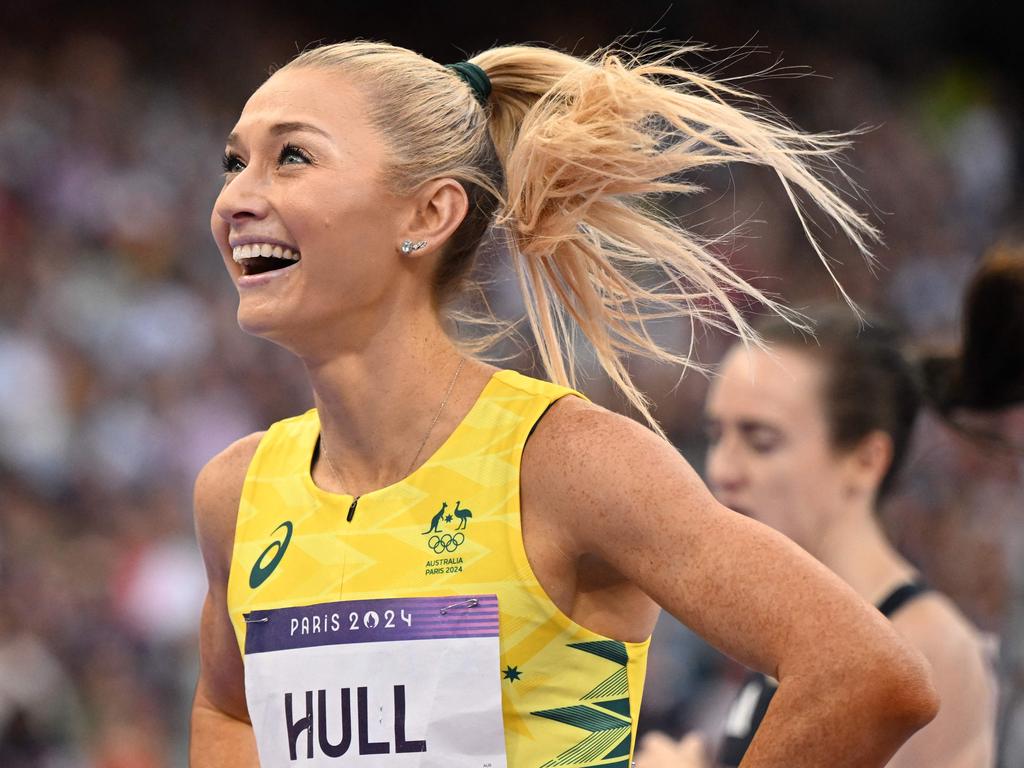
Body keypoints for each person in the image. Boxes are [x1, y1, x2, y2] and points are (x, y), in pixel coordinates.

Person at [189, 40, 939, 767]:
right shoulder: (238, 493)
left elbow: (863, 674)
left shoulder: (562, 464)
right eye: (235, 162)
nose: (236, 200)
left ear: (427, 214)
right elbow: (227, 709)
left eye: (292, 156)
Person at [637, 308, 997, 768]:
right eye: (716, 436)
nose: (721, 471)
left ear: (866, 460)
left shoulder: (927, 649)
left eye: (761, 441)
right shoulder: (789, 623)